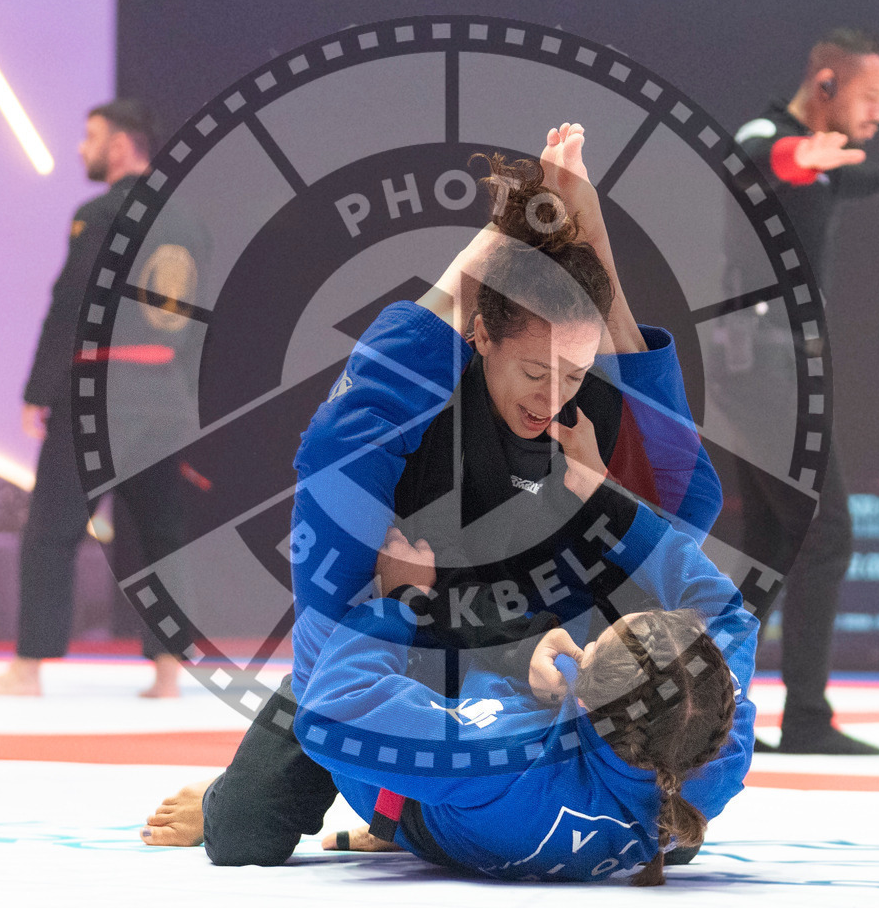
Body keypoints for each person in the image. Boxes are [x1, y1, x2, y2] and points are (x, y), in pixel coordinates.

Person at [141, 125, 725, 865]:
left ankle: (411, 815)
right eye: (533, 373)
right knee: (244, 832)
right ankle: (341, 803)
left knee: (665, 820)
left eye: (573, 375)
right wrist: (502, 231)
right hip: (404, 646)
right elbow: (334, 453)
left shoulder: (583, 414)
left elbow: (686, 498)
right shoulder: (422, 403)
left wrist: (592, 228)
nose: (552, 396)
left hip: (533, 666)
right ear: (481, 334)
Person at [291, 508, 755, 886]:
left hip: (431, 809)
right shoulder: (719, 749)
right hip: (591, 801)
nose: (586, 644)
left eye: (593, 647)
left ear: (582, 704)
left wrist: (399, 600)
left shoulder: (506, 753)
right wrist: (606, 501)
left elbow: (331, 711)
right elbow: (727, 615)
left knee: (325, 670)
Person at [732, 28, 879, 754]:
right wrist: (800, 157)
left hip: (778, 365)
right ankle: (804, 718)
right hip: (762, 363)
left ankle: (713, 712)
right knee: (826, 534)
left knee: (768, 545)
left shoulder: (827, 164)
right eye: (871, 96)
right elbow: (763, 158)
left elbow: (844, 177)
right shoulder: (769, 137)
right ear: (826, 83)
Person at [0, 100, 185, 698]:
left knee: (52, 529)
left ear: (118, 145)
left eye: (90, 136)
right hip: (163, 394)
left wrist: (38, 390)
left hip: (99, 392)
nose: (81, 148)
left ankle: (28, 668)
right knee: (162, 535)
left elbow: (72, 306)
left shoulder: (100, 213)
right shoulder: (188, 221)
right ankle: (167, 671)